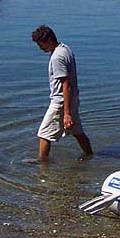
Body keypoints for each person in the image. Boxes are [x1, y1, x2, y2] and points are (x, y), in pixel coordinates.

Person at [31, 25, 93, 161]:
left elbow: (66, 84)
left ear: (48, 40)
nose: (39, 47)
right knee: (76, 131)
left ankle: (42, 164)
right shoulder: (65, 49)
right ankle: (90, 155)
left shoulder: (57, 57)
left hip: (61, 101)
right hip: (72, 98)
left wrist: (66, 113)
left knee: (44, 133)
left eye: (40, 44)